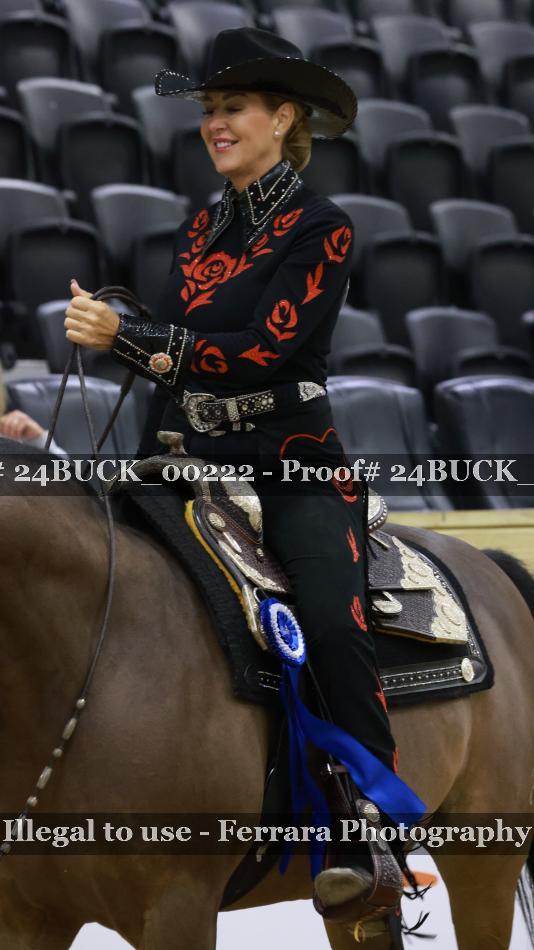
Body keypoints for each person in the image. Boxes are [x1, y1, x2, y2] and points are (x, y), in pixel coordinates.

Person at [64, 27, 424, 923]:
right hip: (186, 454)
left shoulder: (322, 227)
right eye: (209, 111)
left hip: (293, 463)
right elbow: (182, 354)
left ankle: (371, 827)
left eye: (233, 108)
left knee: (329, 620)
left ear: (283, 118)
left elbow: (261, 352)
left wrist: (129, 337)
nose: (215, 124)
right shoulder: (202, 225)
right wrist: (137, 394)